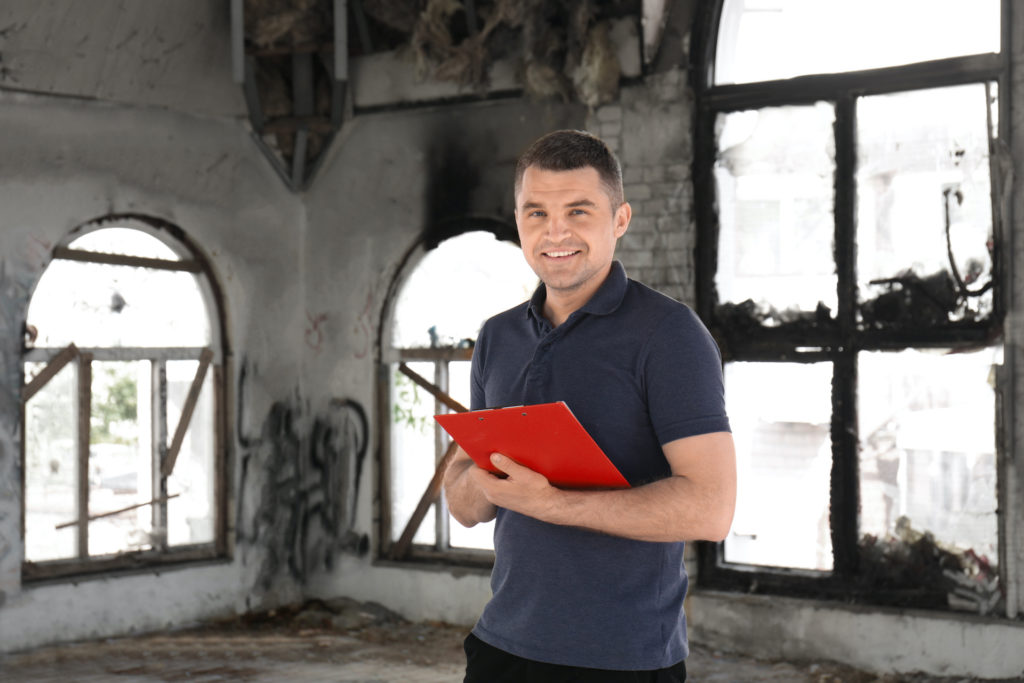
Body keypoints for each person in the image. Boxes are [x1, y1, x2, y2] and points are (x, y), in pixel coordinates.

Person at [443, 129, 736, 682]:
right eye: (536, 213)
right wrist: (488, 481)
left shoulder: (669, 335)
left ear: (619, 219)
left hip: (623, 660)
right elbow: (464, 506)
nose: (556, 232)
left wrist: (551, 502)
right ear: (518, 220)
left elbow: (711, 509)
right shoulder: (497, 337)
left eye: (579, 211)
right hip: (501, 647)